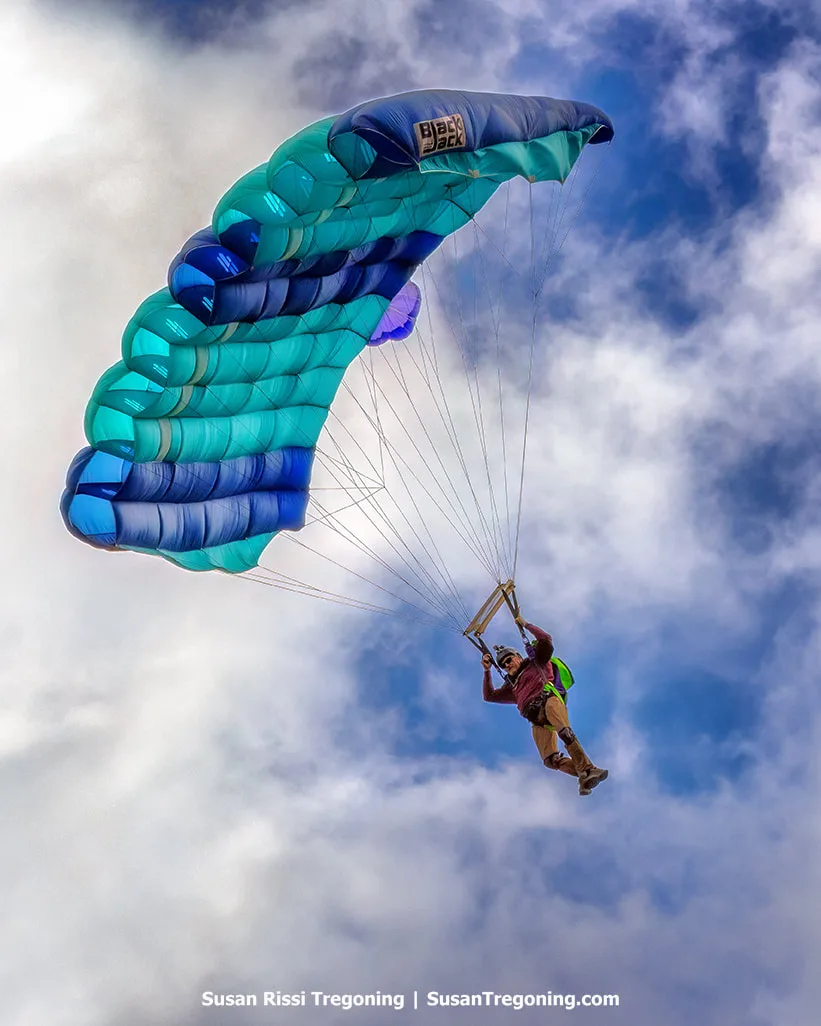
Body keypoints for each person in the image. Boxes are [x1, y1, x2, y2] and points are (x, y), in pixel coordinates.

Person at [481, 618, 608, 796]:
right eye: (503, 665)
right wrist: (487, 671)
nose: (507, 665)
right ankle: (585, 774)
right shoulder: (512, 687)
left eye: (509, 660)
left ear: (518, 657)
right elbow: (489, 696)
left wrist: (524, 624)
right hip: (536, 719)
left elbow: (546, 639)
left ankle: (588, 768)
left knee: (565, 733)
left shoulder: (536, 661)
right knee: (550, 760)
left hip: (549, 701)